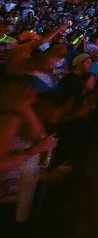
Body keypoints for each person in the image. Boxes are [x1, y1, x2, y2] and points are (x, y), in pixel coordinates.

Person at [0, 75, 57, 235]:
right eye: (32, 93)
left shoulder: (16, 114)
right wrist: (31, 151)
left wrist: (26, 110)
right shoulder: (9, 118)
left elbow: (39, 134)